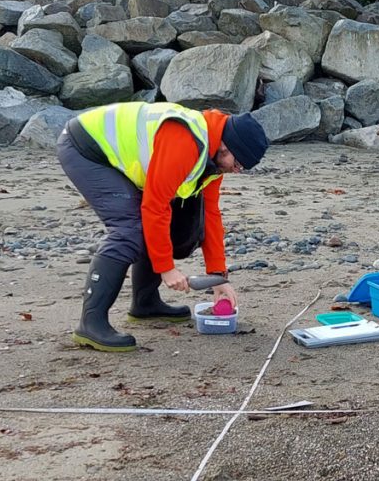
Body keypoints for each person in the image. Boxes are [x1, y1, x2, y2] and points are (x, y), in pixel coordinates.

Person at [57, 101, 270, 352]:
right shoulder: (184, 141)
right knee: (129, 230)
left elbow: (210, 214)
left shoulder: (214, 158)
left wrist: (218, 277)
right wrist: (166, 268)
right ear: (226, 147)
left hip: (111, 153)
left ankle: (145, 304)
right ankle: (91, 324)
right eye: (238, 164)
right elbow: (154, 206)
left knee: (172, 226)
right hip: (85, 148)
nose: (237, 170)